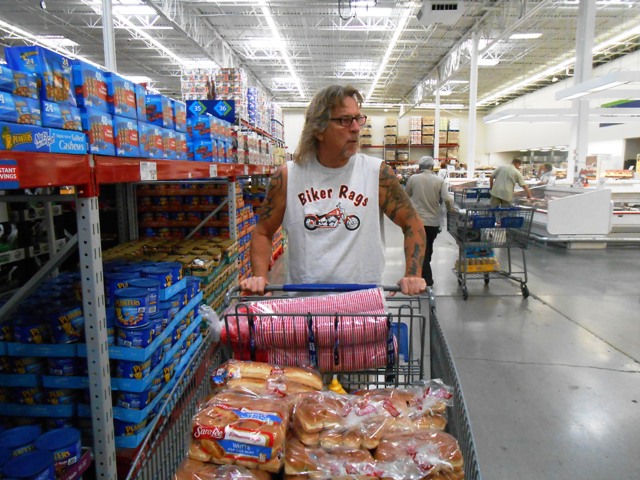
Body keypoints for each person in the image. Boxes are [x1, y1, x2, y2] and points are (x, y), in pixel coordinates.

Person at [239, 84, 426, 296]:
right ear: (319, 129)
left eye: (358, 119)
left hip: (364, 305)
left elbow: (412, 223)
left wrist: (413, 274)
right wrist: (260, 276)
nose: (356, 128)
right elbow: (263, 232)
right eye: (344, 120)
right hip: (306, 306)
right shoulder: (288, 176)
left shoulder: (377, 174)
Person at [405, 156, 453, 288]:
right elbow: (448, 199)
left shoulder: (413, 179)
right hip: (433, 222)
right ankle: (426, 278)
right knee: (428, 248)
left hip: (416, 221)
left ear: (420, 166)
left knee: (421, 250)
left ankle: (426, 277)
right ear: (432, 167)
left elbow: (406, 196)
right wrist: (451, 210)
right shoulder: (439, 180)